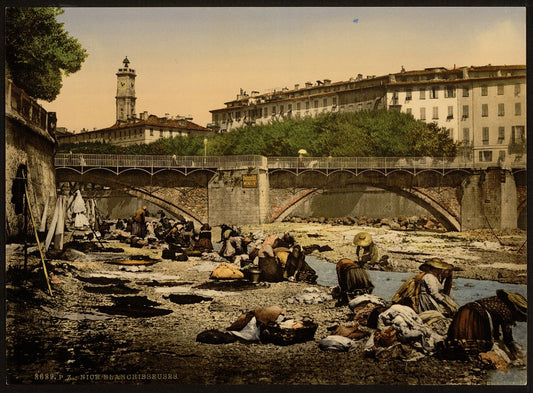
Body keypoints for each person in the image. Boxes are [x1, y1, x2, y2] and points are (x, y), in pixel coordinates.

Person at [446, 290, 527, 360]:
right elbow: (508, 338)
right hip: (475, 317)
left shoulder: (498, 301)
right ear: (517, 311)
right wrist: (515, 355)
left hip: (464, 312)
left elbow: (496, 327)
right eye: (522, 318)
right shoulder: (506, 312)